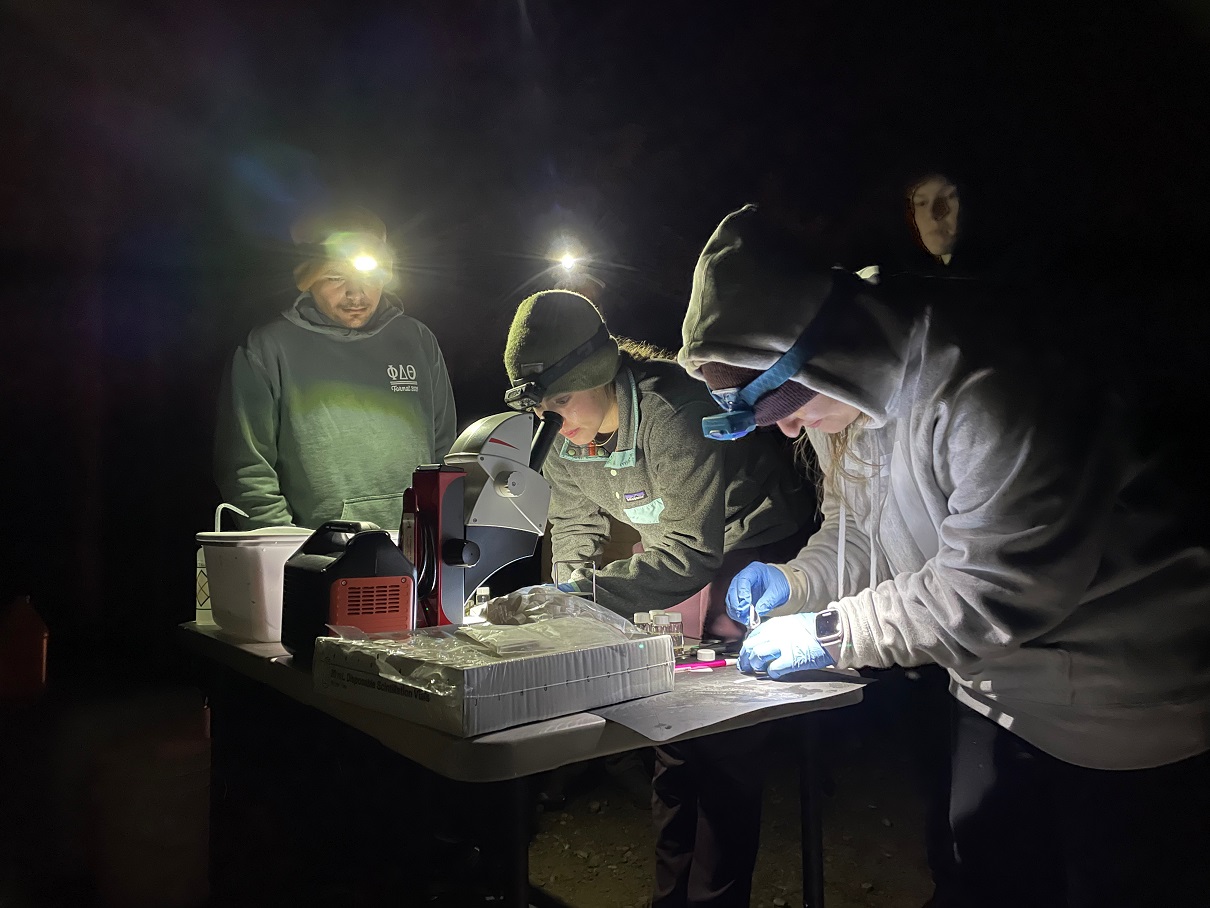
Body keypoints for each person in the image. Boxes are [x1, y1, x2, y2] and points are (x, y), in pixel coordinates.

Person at [678, 203, 1210, 908]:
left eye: (786, 410)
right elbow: (863, 533)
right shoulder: (856, 401)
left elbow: (996, 588)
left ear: (823, 354)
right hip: (995, 695)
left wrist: (831, 633)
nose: (791, 431)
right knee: (975, 880)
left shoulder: (991, 379)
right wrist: (794, 582)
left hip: (1129, 710)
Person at [502, 289, 817, 908]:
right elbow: (574, 530)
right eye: (543, 407)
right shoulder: (560, 438)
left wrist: (582, 594)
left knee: (723, 734)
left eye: (562, 400)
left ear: (600, 375)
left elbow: (692, 554)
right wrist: (572, 602)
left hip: (755, 542)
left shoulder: (675, 409)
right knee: (669, 729)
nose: (555, 420)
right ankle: (670, 896)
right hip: (679, 547)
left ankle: (715, 899)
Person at [215, 205, 456, 530]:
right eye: (334, 277)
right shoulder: (268, 349)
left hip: (416, 549)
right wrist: (283, 550)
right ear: (307, 280)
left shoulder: (417, 340)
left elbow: (447, 451)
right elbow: (247, 466)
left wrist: (438, 530)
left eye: (369, 276)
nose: (355, 292)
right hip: (314, 557)